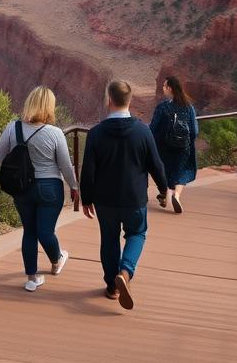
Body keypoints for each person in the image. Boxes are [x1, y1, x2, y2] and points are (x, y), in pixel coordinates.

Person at [80, 79, 167, 311]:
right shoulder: (143, 132)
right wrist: (163, 188)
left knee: (109, 239)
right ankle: (125, 272)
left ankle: (112, 286)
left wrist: (86, 198)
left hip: (105, 200)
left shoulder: (96, 134)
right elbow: (156, 165)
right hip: (134, 198)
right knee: (137, 233)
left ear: (109, 101)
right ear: (130, 101)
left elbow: (88, 170)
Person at [0, 85, 80, 291]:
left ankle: (32, 279)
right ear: (49, 107)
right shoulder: (55, 133)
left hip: (22, 189)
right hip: (49, 187)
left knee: (30, 232)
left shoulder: (13, 127)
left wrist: (18, 173)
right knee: (46, 231)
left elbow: (1, 155)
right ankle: (56, 259)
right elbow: (65, 165)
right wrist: (74, 186)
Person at [149, 75, 198, 214]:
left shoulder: (163, 107)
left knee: (163, 170)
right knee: (183, 170)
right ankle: (176, 194)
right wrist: (188, 142)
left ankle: (165, 194)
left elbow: (153, 128)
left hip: (164, 147)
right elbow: (194, 130)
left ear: (169, 88)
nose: (162, 88)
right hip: (184, 147)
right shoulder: (189, 107)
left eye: (164, 86)